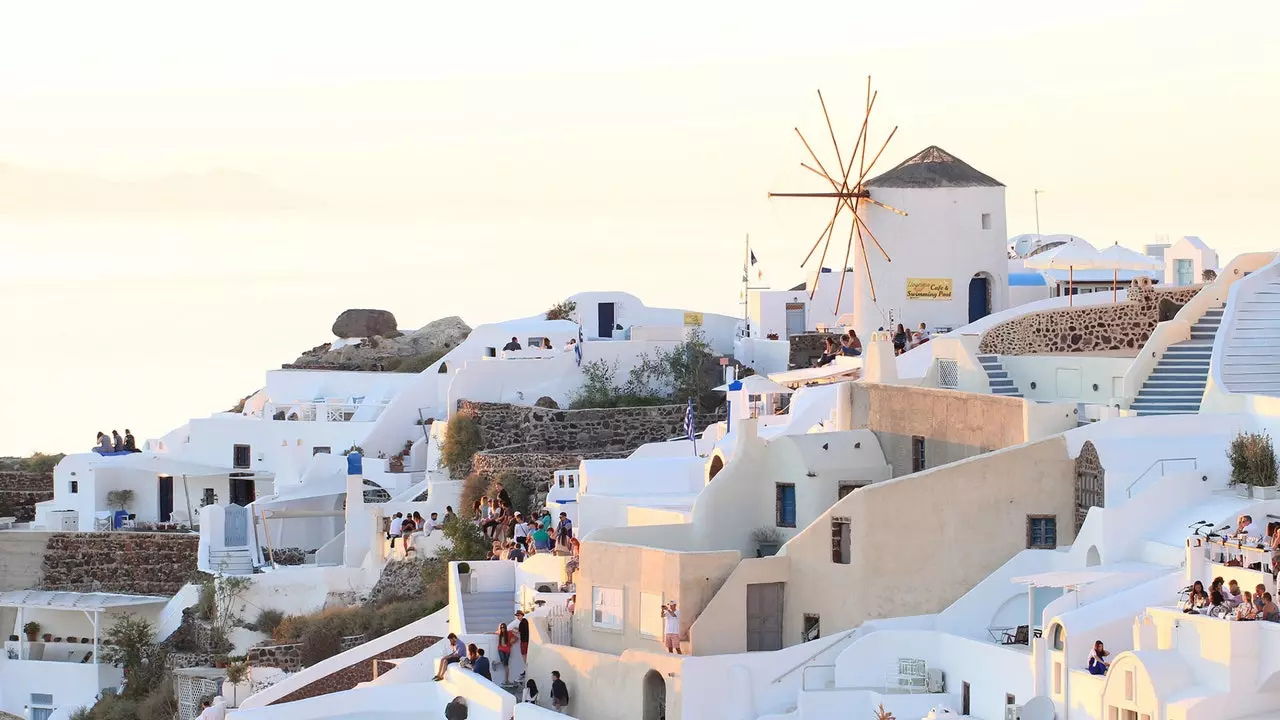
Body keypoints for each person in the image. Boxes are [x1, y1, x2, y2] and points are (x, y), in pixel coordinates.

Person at [516, 610, 531, 677]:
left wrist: (514, 631)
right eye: (517, 616)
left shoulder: (523, 622)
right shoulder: (524, 622)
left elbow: (520, 631)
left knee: (524, 656)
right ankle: (526, 669)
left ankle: (527, 670)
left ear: (522, 615)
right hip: (525, 641)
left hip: (524, 641)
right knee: (525, 656)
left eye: (518, 615)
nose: (518, 617)